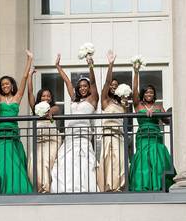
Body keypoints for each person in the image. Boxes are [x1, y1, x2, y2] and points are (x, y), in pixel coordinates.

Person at [0, 50, 34, 195]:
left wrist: (30, 59)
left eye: (7, 84)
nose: (5, 86)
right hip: (0, 133)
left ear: (12, 85)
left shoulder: (17, 97)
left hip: (12, 134)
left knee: (13, 161)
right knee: (1, 162)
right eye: (3, 84)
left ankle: (16, 188)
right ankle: (1, 187)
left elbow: (23, 77)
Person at [51, 52, 99, 193]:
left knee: (83, 165)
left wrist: (90, 65)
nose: (83, 88)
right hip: (70, 138)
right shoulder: (74, 99)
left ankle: (84, 189)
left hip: (83, 138)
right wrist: (58, 67)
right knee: (66, 163)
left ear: (89, 88)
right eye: (81, 86)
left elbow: (94, 82)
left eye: (85, 86)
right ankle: (66, 189)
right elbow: (67, 81)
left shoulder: (93, 99)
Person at [127, 63, 173, 191]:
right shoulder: (138, 106)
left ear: (154, 95)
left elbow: (166, 120)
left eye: (151, 92)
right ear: (143, 94)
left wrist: (165, 114)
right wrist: (135, 72)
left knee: (157, 159)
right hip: (143, 136)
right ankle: (143, 185)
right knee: (143, 160)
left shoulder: (158, 106)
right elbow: (134, 91)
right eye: (147, 92)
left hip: (156, 136)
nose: (149, 94)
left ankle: (158, 185)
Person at [26, 69, 62, 193]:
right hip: (39, 140)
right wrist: (29, 76)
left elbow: (56, 109)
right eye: (43, 95)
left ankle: (47, 189)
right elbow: (30, 93)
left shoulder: (54, 108)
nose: (46, 97)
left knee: (46, 161)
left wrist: (50, 112)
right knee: (33, 163)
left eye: (48, 96)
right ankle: (38, 188)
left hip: (52, 140)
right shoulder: (36, 109)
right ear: (40, 97)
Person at [97, 50, 127, 192]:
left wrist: (125, 103)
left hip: (119, 134)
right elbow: (107, 81)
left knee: (120, 160)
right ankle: (108, 186)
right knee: (108, 160)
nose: (113, 86)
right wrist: (111, 64)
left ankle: (119, 186)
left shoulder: (121, 104)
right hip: (108, 134)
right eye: (112, 85)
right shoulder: (105, 100)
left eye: (116, 85)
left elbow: (126, 118)